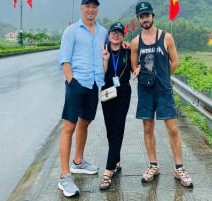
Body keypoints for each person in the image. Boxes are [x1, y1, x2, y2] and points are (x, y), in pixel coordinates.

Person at [130, 1, 193, 188]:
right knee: (147, 128)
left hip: (164, 90)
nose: (145, 19)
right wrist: (141, 70)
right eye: (141, 17)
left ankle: (179, 168)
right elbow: (134, 66)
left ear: (153, 16)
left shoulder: (166, 37)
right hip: (146, 91)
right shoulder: (135, 42)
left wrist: (163, 76)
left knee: (172, 128)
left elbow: (175, 62)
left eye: (147, 15)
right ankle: (153, 165)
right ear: (138, 19)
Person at [57, 0, 107, 197]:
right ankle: (64, 176)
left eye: (94, 6)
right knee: (69, 127)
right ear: (81, 8)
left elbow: (110, 49)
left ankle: (78, 161)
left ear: (97, 9)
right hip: (77, 83)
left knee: (85, 123)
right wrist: (71, 81)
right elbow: (64, 59)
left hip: (94, 84)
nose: (91, 9)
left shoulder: (102, 32)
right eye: (87, 6)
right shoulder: (72, 31)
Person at [99, 22, 132, 191]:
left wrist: (139, 68)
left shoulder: (128, 50)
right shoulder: (104, 50)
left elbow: (136, 66)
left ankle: (108, 171)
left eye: (119, 32)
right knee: (110, 130)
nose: (116, 35)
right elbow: (102, 73)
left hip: (123, 95)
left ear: (123, 35)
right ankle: (116, 162)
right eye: (114, 32)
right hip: (106, 94)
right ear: (109, 34)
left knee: (118, 129)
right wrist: (105, 60)